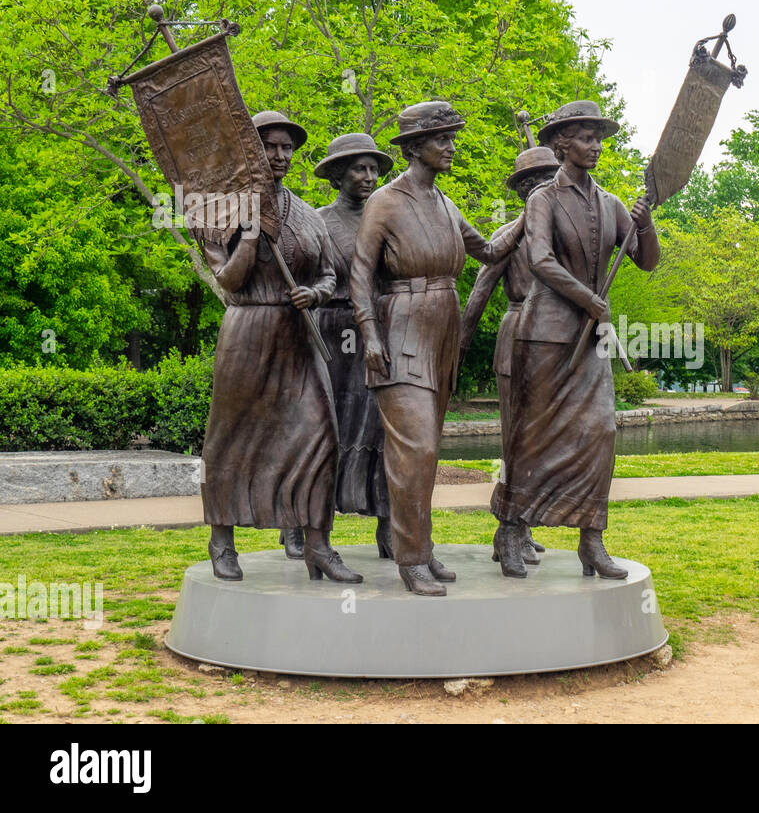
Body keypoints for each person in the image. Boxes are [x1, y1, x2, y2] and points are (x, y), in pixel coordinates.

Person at [351, 101, 523, 596]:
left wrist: (532, 211)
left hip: (441, 333)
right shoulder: (384, 201)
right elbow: (360, 275)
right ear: (413, 147)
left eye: (452, 138)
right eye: (441, 138)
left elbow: (488, 251)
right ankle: (409, 559)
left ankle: (421, 550)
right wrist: (369, 336)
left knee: (426, 452)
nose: (451, 147)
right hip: (400, 329)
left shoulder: (446, 204)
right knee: (416, 450)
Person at [489, 100, 659, 578]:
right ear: (562, 144)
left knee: (599, 432)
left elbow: (648, 262)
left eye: (599, 138)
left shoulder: (610, 204)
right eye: (586, 137)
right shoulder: (541, 199)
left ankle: (591, 538)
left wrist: (645, 224)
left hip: (591, 339)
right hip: (544, 333)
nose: (596, 146)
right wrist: (588, 298)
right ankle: (511, 526)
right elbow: (540, 260)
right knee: (531, 435)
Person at [199, 110, 361, 584]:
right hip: (248, 332)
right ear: (250, 149)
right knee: (232, 438)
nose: (280, 155)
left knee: (321, 434)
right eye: (270, 146)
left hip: (299, 335)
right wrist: (250, 236)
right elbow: (227, 280)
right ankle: (222, 539)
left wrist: (315, 293)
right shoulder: (219, 210)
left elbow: (331, 274)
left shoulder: (308, 215)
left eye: (287, 147)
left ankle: (318, 544)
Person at [459, 145, 561, 567]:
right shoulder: (509, 234)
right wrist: (459, 347)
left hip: (559, 340)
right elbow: (480, 291)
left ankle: (525, 522)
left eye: (548, 180)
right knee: (516, 441)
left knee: (545, 441)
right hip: (519, 334)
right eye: (532, 184)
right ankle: (510, 528)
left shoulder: (565, 231)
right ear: (521, 191)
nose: (543, 189)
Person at [314, 133, 396, 558]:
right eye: (358, 168)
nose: (369, 177)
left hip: (379, 331)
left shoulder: (385, 216)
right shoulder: (319, 221)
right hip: (333, 331)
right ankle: (306, 526)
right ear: (336, 174)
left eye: (373, 169)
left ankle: (388, 525)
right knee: (326, 430)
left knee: (384, 430)